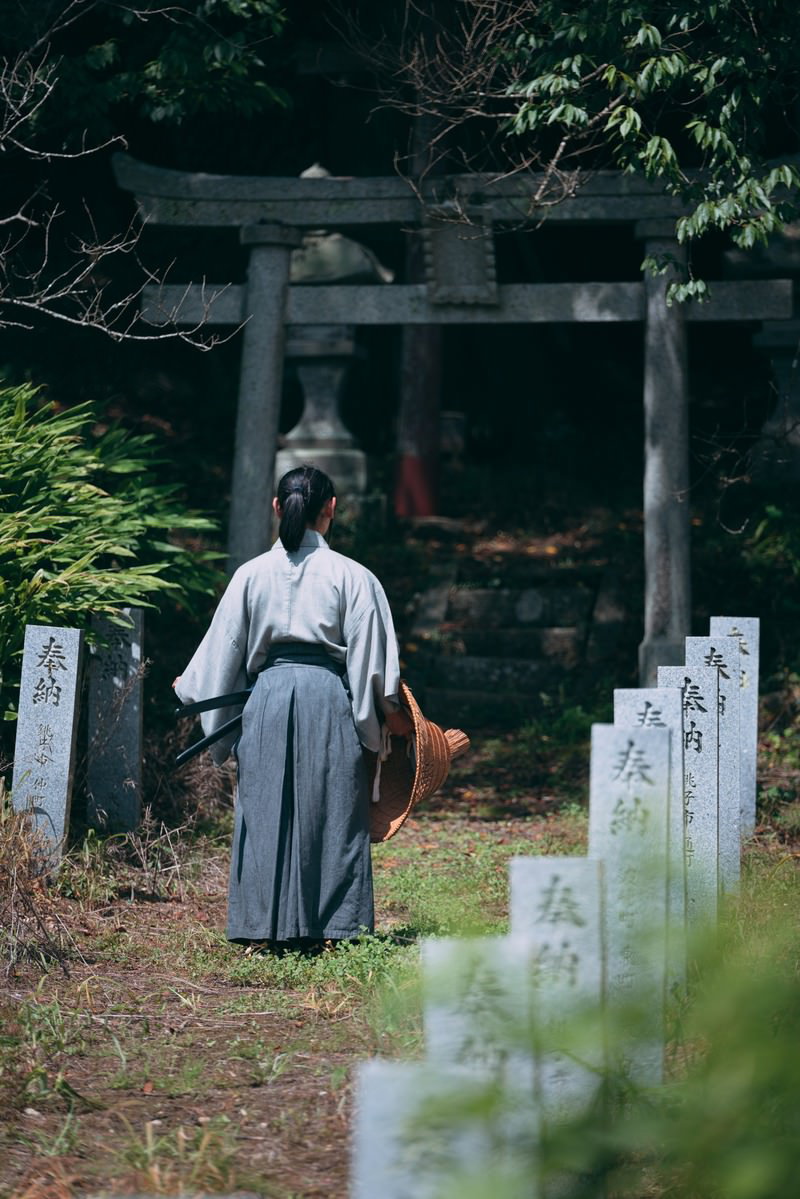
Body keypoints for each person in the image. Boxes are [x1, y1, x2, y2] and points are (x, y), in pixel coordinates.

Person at [174, 465, 413, 949]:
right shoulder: (353, 575)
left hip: (267, 697)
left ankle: (264, 927)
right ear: (331, 510)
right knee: (334, 808)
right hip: (329, 696)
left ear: (277, 507)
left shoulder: (250, 574)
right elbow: (372, 665)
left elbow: (225, 648)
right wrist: (386, 723)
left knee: (263, 809)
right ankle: (332, 927)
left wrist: (193, 686)